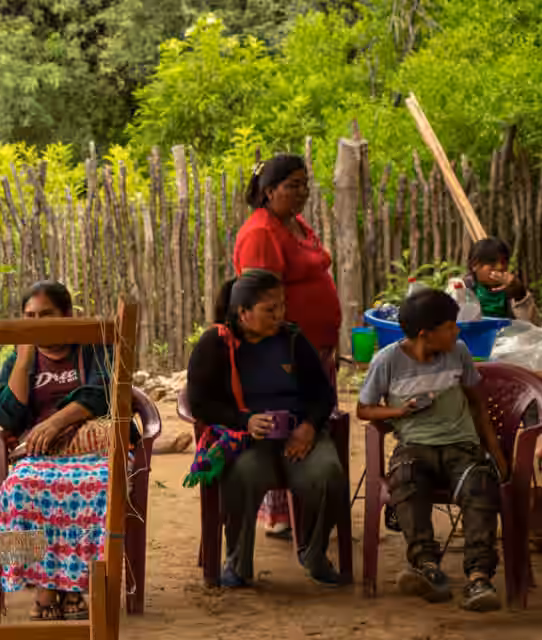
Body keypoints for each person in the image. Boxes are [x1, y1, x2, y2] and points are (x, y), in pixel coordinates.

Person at [184, 270, 347, 589]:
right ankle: (237, 563)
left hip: (298, 435)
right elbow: (200, 403)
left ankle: (315, 556)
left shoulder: (292, 340)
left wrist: (310, 427)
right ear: (243, 314)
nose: (280, 315)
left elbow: (322, 393)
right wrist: (244, 421)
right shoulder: (216, 344)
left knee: (328, 474)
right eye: (270, 310)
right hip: (248, 440)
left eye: (282, 306)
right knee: (245, 473)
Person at [356, 290, 506, 611]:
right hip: (415, 447)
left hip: (461, 446)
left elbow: (479, 407)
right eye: (450, 326)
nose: (457, 332)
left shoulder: (459, 353)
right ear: (426, 334)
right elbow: (364, 410)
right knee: (407, 480)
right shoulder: (387, 360)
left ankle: (479, 578)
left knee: (480, 484)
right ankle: (427, 568)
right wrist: (399, 413)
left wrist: (497, 455)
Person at [0, 282, 116, 620]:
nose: (37, 322)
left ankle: (72, 586)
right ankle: (48, 585)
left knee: (100, 486)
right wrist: (23, 361)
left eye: (46, 315)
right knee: (21, 488)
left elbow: (103, 393)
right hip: (40, 456)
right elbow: (7, 416)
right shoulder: (19, 359)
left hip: (92, 452)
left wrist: (57, 422)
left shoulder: (92, 347)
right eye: (29, 316)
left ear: (67, 316)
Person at [234, 155, 342, 540]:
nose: (302, 192)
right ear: (269, 191)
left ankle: (306, 513)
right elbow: (261, 300)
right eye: (292, 185)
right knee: (286, 423)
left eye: (304, 183)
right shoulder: (261, 233)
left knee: (312, 421)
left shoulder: (294, 223)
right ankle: (286, 518)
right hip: (290, 354)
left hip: (315, 350)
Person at [464, 237, 538, 323]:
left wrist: (520, 295)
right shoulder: (462, 288)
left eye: (504, 262)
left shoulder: (512, 290)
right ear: (475, 265)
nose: (500, 267)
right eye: (492, 262)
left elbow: (534, 326)